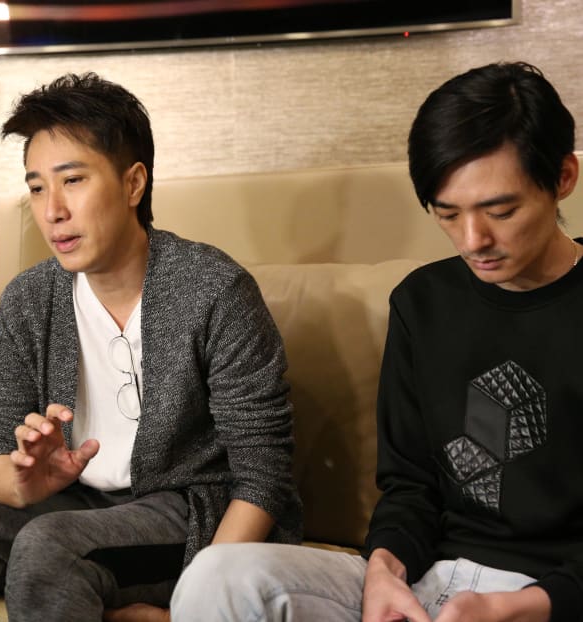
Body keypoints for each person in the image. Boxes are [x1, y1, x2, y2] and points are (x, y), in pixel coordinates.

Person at [170, 61, 583, 622]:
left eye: (500, 211)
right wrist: (385, 572)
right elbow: (410, 487)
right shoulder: (423, 303)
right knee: (218, 576)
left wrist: (519, 607)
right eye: (447, 214)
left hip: (549, 597)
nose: (473, 240)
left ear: (563, 178)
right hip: (429, 579)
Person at [0, 72, 303, 622]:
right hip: (76, 504)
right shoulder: (30, 299)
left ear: (133, 184)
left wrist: (202, 597)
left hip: (190, 511)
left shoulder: (212, 289)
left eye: (73, 180)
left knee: (50, 547)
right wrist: (21, 480)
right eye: (36, 187)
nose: (52, 210)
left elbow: (264, 472)